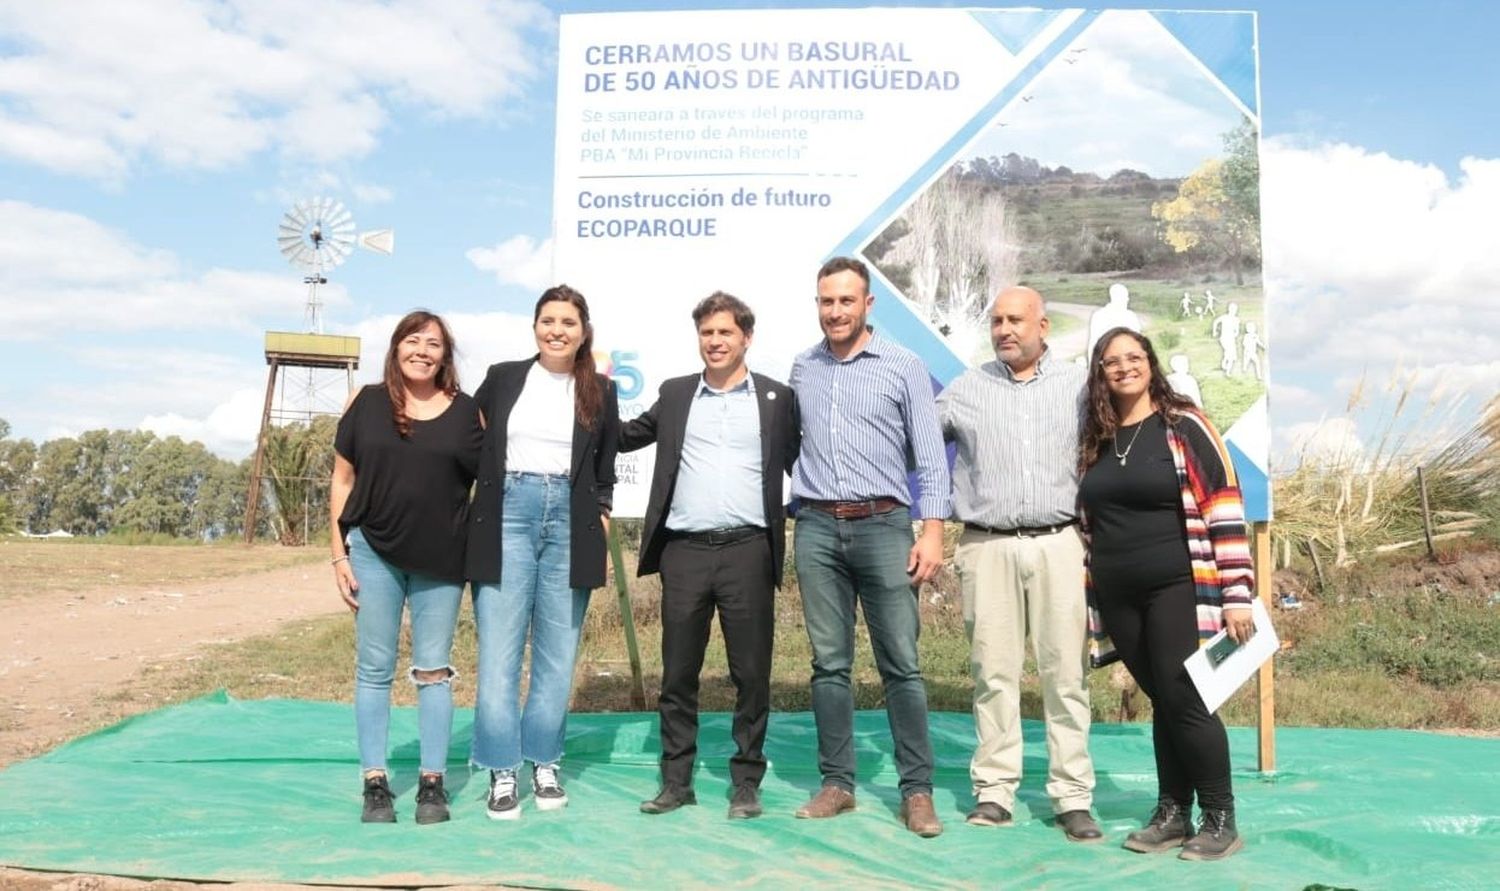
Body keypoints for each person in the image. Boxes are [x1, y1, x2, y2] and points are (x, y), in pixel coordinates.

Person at [619, 292, 800, 820]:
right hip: (685, 553)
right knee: (678, 673)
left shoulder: (777, 398)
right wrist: (581, 411)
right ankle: (676, 781)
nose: (715, 341)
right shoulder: (676, 395)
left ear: (747, 337)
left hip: (748, 550)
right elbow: (628, 437)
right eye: (706, 333)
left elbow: (805, 461)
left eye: (725, 332)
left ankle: (746, 781)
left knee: (751, 674)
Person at [1078, 326, 1255, 861]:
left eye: (1134, 357)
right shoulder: (1097, 436)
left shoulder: (1184, 425)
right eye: (1112, 361)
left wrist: (1238, 592)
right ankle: (1173, 811)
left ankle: (1220, 817)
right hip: (1116, 592)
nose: (1124, 367)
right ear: (1100, 372)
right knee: (1163, 699)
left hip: (1178, 584)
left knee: (1188, 695)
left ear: (1150, 363)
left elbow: (1223, 504)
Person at [789, 256, 951, 838]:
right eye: (826, 301)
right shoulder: (802, 368)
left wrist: (931, 531)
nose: (835, 311)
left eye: (846, 301)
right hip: (816, 530)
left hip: (886, 527)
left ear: (868, 304)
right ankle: (837, 784)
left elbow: (932, 458)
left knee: (901, 666)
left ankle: (918, 791)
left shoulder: (904, 366)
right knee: (829, 665)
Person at [937, 285, 1102, 843]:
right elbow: (913, 437)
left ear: (1043, 326)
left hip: (1061, 544)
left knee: (1066, 675)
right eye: (997, 321)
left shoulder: (1081, 386)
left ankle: (1072, 797)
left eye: (1016, 320)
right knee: (993, 673)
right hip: (986, 547)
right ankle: (994, 791)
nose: (1005, 330)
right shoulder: (966, 388)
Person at [466, 285, 620, 820]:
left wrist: (598, 527)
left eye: (568, 322)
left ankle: (545, 762)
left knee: (558, 654)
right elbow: (465, 438)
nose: (557, 330)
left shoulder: (600, 390)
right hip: (508, 511)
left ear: (584, 331)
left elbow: (604, 474)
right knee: (501, 652)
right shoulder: (504, 378)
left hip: (572, 523)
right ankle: (501, 768)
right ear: (535, 326)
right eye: (548, 320)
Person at [329, 310, 483, 825]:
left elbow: (492, 482)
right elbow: (342, 480)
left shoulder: (467, 412)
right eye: (412, 340)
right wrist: (338, 553)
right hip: (373, 552)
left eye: (433, 343)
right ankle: (375, 783)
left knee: (433, 672)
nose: (422, 350)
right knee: (374, 670)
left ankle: (431, 785)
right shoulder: (366, 402)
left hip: (442, 561)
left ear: (445, 354)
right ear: (396, 348)